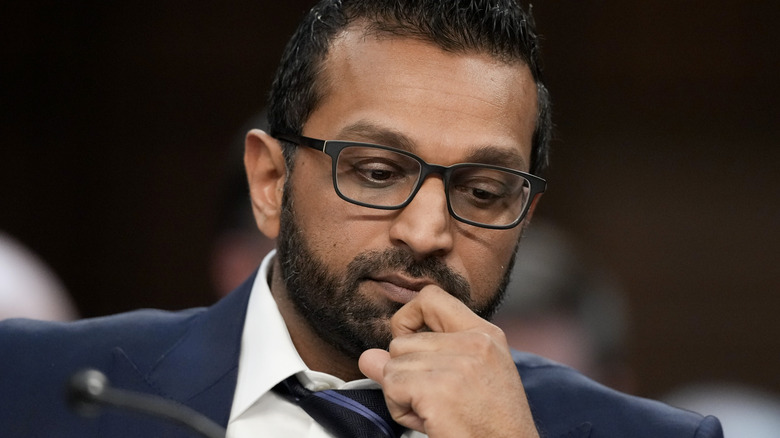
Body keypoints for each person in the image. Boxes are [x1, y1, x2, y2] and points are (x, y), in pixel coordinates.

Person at [0, 1, 722, 437]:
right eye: (378, 173)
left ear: (525, 217)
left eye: (481, 191)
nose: (426, 232)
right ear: (270, 180)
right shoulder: (36, 385)